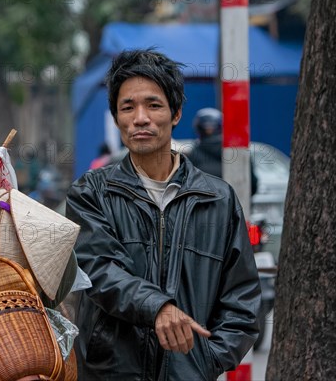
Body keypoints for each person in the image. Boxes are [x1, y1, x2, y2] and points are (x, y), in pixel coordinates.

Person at [65, 49, 261, 380]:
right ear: (116, 118)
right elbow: (99, 269)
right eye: (128, 107)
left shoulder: (218, 199)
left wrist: (206, 360)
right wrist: (158, 307)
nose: (140, 118)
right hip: (110, 373)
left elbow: (241, 300)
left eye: (153, 105)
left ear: (176, 114)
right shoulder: (91, 192)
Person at [187, 107, 258, 196]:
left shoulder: (193, 154)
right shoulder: (238, 152)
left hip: (204, 207)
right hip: (236, 206)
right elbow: (253, 186)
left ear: (198, 128)